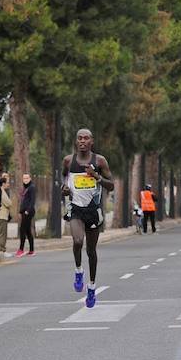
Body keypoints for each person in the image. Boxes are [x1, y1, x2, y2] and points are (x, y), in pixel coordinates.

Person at [62, 128, 114, 308]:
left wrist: (97, 176)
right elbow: (64, 178)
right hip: (76, 209)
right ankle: (78, 271)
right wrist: (65, 188)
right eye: (79, 138)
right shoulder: (68, 161)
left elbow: (111, 185)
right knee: (77, 241)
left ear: (92, 141)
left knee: (91, 251)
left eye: (86, 138)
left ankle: (91, 287)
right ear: (76, 142)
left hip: (93, 211)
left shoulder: (99, 161)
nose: (82, 141)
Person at [16, 173, 36, 257]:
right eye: (24, 178)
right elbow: (24, 200)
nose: (25, 180)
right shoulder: (26, 188)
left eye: (27, 178)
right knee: (27, 231)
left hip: (28, 212)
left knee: (22, 230)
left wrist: (27, 210)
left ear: (30, 178)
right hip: (24, 211)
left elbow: (32, 200)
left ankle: (21, 249)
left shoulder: (31, 187)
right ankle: (31, 250)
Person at [0, 173, 13, 256]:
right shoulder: (2, 191)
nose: (8, 185)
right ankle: (2, 250)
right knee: (2, 234)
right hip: (2, 216)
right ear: (3, 183)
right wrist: (10, 202)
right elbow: (8, 203)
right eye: (7, 183)